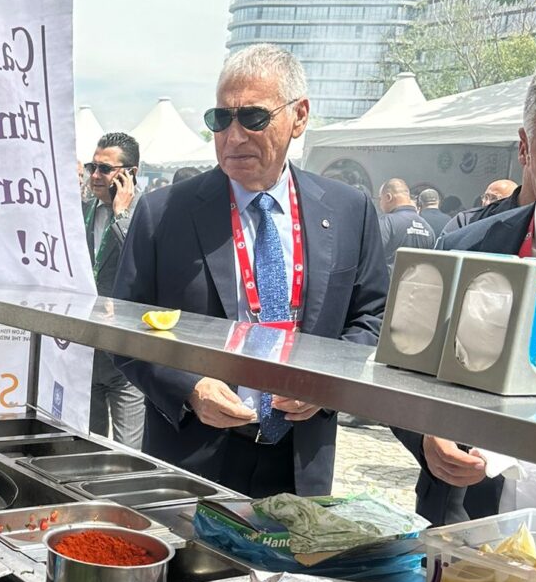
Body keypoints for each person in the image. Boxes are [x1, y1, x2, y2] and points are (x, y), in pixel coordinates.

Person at [113, 44, 387, 497]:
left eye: (253, 118)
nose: (233, 136)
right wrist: (189, 387)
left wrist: (326, 385)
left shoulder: (348, 211)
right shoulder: (164, 214)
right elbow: (125, 329)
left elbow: (370, 316)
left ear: (299, 117)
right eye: (221, 119)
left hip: (301, 459)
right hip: (192, 453)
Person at [399, 58, 536, 522]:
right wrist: (427, 434)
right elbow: (403, 369)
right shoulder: (466, 247)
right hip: (469, 517)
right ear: (524, 149)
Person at [84, 131, 145, 447]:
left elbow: (143, 265)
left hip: (125, 358)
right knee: (83, 447)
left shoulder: (148, 213)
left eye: (105, 169)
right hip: (84, 350)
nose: (94, 176)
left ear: (130, 173)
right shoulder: (80, 212)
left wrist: (122, 214)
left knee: (128, 453)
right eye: (91, 166)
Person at [377, 178, 436, 270]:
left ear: (388, 197)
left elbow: (371, 255)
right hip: (416, 282)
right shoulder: (428, 228)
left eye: (380, 199)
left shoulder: (386, 222)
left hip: (390, 283)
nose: (380, 204)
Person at [442, 176, 521, 235]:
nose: (487, 203)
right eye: (485, 197)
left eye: (494, 198)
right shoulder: (464, 220)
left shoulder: (522, 223)